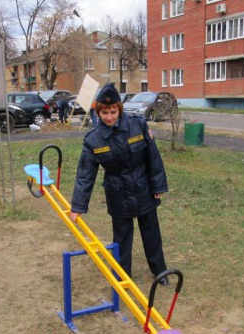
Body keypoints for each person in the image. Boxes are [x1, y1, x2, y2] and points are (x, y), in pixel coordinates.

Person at [69, 83, 170, 285]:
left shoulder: (137, 124)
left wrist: (158, 186)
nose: (109, 117)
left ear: (119, 109)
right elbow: (85, 174)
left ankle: (160, 272)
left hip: (144, 188)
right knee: (122, 239)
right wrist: (78, 207)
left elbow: (153, 156)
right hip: (118, 193)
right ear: (99, 111)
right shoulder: (93, 140)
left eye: (113, 111)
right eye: (105, 112)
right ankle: (123, 279)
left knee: (151, 233)